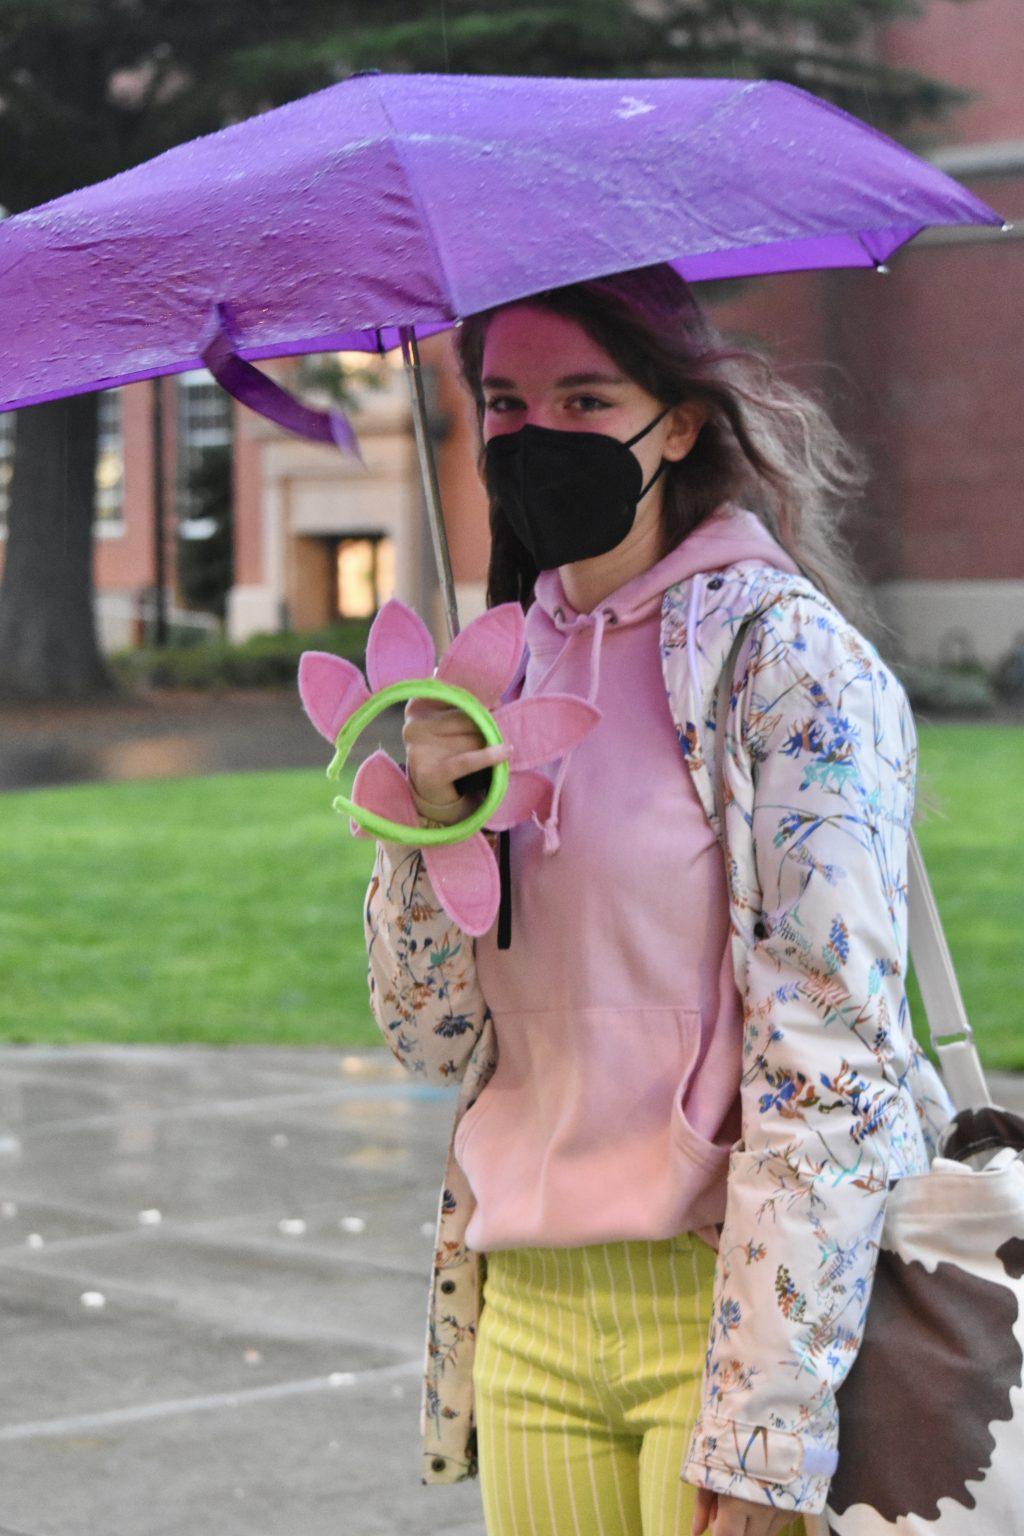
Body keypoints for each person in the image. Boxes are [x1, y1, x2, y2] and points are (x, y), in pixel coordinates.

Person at [362, 263, 953, 1536]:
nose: (536, 438)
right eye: (506, 404)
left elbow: (831, 1055)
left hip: (724, 1309)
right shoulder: (488, 678)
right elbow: (431, 1035)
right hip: (527, 1309)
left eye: (586, 398)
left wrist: (764, 1432)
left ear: (676, 421)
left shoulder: (782, 661)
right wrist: (418, 832)